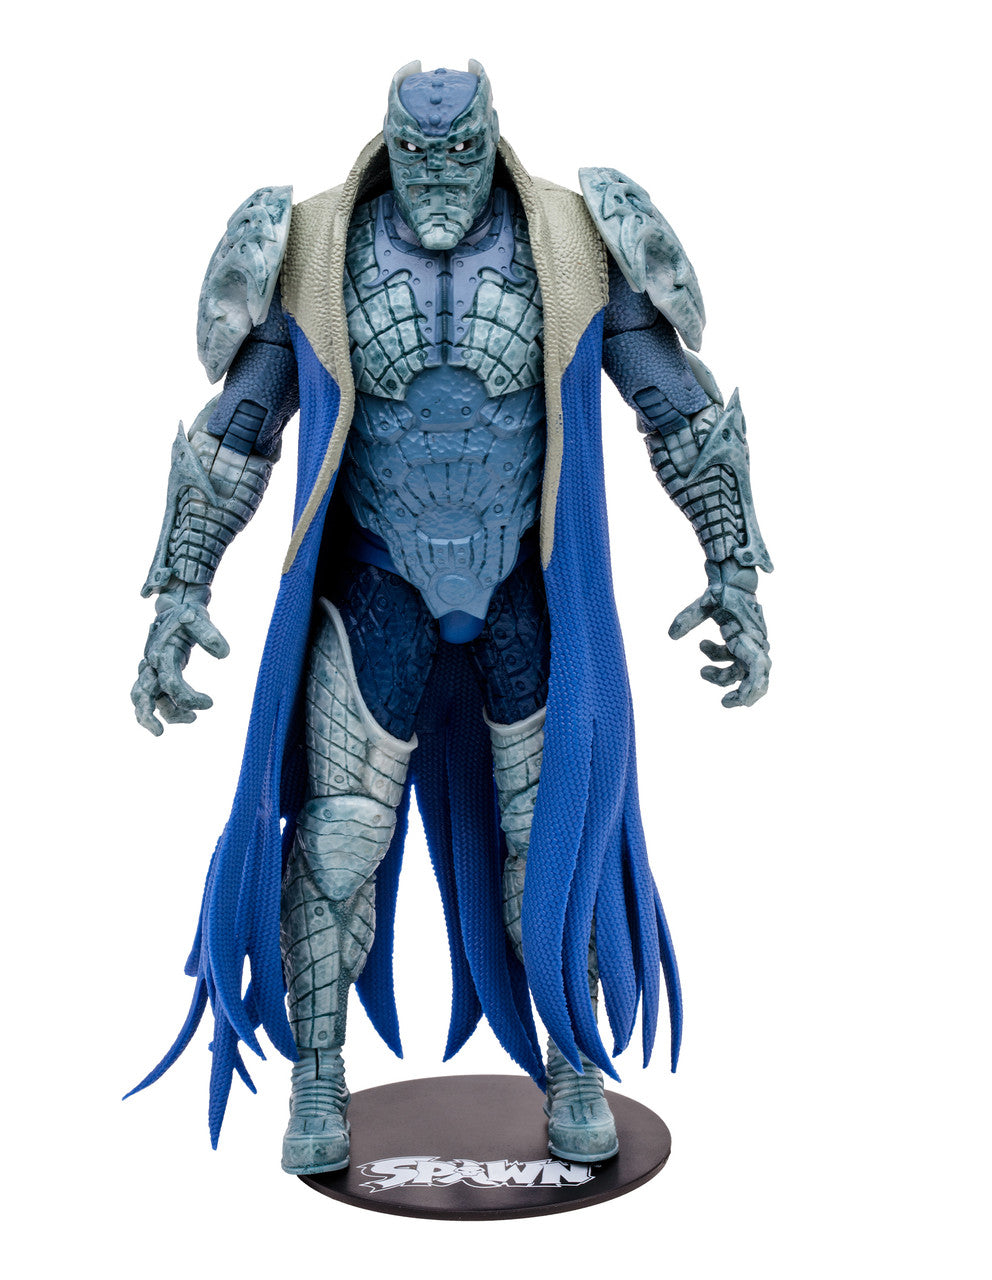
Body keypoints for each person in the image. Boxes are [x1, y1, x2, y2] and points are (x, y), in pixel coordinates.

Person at [128, 60, 772, 1176]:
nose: (435, 174)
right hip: (375, 582)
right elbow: (238, 429)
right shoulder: (310, 244)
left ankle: (571, 1062)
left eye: (458, 151)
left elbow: (675, 406)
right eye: (416, 153)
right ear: (387, 139)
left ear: (491, 137)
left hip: (523, 582)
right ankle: (319, 1076)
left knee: (552, 834)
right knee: (338, 838)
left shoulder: (575, 238)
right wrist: (184, 586)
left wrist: (731, 564)